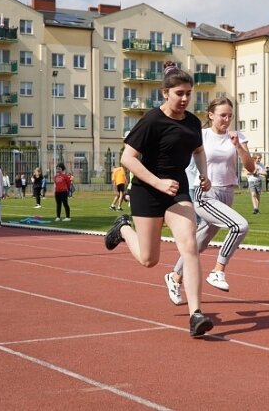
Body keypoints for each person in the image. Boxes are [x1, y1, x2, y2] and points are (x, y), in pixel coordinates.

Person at [104, 61, 214, 338]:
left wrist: (203, 173)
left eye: (189, 93)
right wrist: (157, 182)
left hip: (177, 191)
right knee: (148, 259)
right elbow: (127, 158)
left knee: (189, 245)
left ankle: (196, 315)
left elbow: (198, 150)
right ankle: (123, 229)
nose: (185, 98)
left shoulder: (191, 122)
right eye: (180, 93)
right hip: (147, 190)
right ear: (165, 93)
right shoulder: (152, 120)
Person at [165, 97, 255, 304]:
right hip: (203, 192)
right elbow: (184, 161)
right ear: (211, 115)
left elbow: (250, 168)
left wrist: (239, 147)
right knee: (240, 226)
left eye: (230, 116)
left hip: (227, 193)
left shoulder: (238, 136)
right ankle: (218, 270)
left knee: (201, 241)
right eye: (222, 115)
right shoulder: (201, 135)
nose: (226, 119)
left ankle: (174, 277)